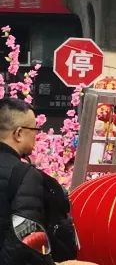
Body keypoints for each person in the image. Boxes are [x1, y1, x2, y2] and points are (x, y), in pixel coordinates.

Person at [0, 98, 79, 264]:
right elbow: (26, 239)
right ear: (19, 133)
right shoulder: (24, 174)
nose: (37, 135)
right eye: (34, 129)